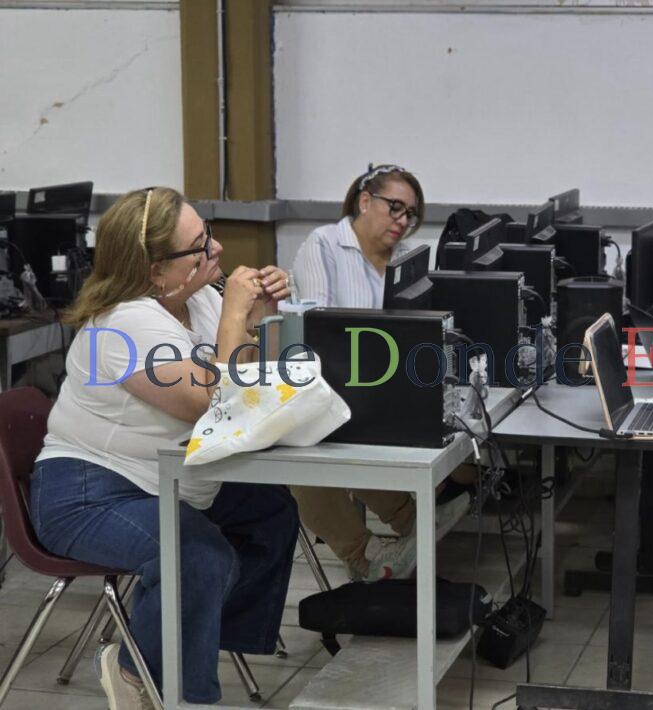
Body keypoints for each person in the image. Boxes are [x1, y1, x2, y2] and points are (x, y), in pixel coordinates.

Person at [30, 187, 300, 707]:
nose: (216, 250)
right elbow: (210, 403)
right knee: (196, 556)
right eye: (199, 246)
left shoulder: (196, 297)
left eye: (208, 235)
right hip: (89, 493)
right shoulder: (123, 324)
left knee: (271, 512)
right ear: (155, 270)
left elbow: (249, 380)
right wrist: (234, 317)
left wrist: (259, 316)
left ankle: (184, 645)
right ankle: (155, 680)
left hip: (165, 477)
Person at [291, 164, 471, 581]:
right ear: (364, 201)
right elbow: (322, 328)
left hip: (385, 383)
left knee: (446, 428)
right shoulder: (324, 245)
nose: (403, 220)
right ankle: (368, 554)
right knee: (339, 439)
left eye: (410, 213)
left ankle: (415, 520)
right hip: (330, 381)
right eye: (395, 207)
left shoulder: (405, 258)